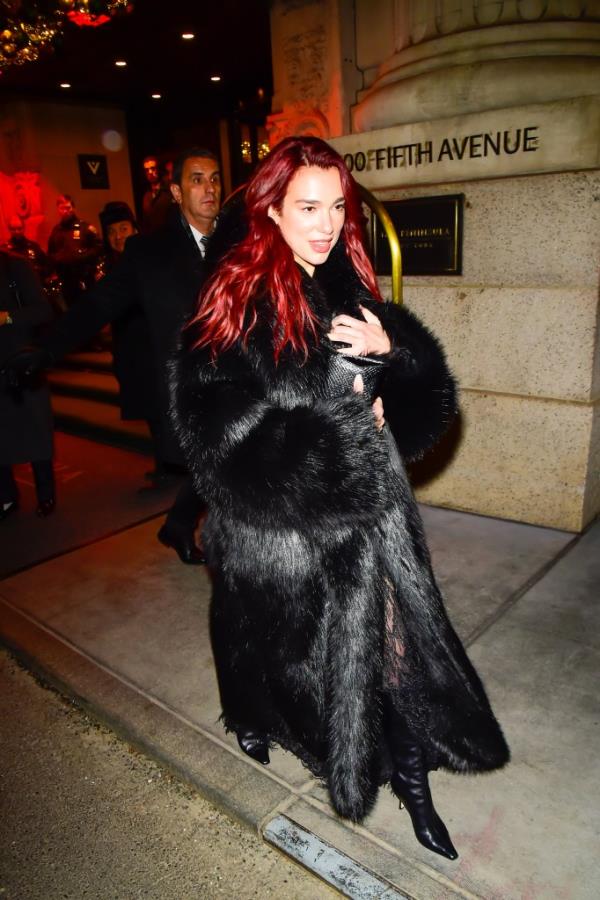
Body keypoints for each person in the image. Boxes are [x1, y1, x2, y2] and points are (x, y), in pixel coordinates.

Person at [170, 137, 509, 860]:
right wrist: (340, 433)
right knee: (267, 644)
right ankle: (251, 716)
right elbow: (219, 443)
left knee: (392, 644)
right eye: (307, 207)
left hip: (371, 516)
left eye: (336, 207)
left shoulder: (345, 281)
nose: (326, 225)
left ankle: (412, 781)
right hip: (280, 529)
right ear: (271, 209)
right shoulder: (234, 300)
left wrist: (393, 358)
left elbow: (425, 405)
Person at [2, 149, 222, 564]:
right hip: (191, 386)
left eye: (214, 178)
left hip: (238, 377)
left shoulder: (238, 240)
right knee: (221, 467)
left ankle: (179, 526)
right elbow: (97, 305)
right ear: (176, 191)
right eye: (197, 179)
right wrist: (47, 349)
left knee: (223, 465)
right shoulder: (149, 252)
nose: (209, 188)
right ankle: (215, 547)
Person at [96, 202, 163, 480]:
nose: (118, 236)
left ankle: (172, 466)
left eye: (123, 229)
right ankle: (164, 464)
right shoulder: (110, 266)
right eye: (112, 232)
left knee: (161, 410)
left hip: (153, 347)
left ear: (134, 229)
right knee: (150, 411)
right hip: (129, 349)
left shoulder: (151, 259)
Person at [0, 252, 55, 519]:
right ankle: (6, 498)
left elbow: (42, 311)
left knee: (35, 429)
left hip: (22, 362)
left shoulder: (14, 267)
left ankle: (46, 494)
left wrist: (6, 317)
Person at [47, 194, 100, 307]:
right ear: (58, 210)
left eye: (68, 208)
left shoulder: (85, 228)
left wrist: (82, 257)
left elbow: (98, 248)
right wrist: (59, 259)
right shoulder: (56, 231)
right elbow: (50, 253)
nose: (66, 211)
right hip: (65, 281)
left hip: (85, 279)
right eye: (62, 208)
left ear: (73, 208)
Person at [141, 155, 173, 234]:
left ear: (158, 169)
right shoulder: (146, 196)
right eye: (147, 170)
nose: (150, 172)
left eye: (153, 168)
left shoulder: (169, 190)